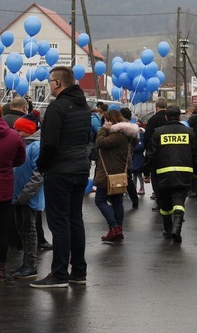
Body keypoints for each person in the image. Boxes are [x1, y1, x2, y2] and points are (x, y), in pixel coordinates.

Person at [32, 66, 91, 288]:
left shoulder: (57, 107)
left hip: (60, 170)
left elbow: (50, 143)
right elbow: (85, 139)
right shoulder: (84, 107)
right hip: (80, 169)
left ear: (57, 83)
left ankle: (58, 274)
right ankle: (78, 271)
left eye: (50, 81)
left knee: (59, 224)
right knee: (75, 221)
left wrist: (41, 165)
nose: (48, 85)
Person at [143, 105, 197, 243]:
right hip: (184, 173)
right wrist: (196, 171)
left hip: (163, 174)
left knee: (165, 204)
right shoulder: (189, 133)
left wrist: (146, 172)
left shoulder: (158, 133)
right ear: (180, 117)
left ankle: (168, 229)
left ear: (166, 117)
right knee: (179, 200)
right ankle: (177, 229)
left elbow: (150, 154)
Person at [94, 109, 138, 242]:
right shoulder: (125, 134)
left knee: (100, 200)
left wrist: (103, 129)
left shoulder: (117, 135)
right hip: (117, 172)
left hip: (109, 174)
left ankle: (114, 227)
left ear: (110, 121)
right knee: (117, 201)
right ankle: (118, 230)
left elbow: (100, 143)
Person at [0, 102, 27, 281]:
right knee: (1, 229)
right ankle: (0, 268)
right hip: (4, 188)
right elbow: (21, 159)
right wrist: (7, 166)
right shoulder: (14, 136)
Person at [10, 114, 43, 279]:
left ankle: (31, 265)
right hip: (18, 196)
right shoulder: (23, 144)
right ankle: (25, 263)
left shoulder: (36, 147)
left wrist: (25, 194)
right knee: (22, 229)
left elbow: (38, 175)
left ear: (28, 130)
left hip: (28, 197)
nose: (15, 132)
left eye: (19, 129)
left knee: (29, 231)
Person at [144, 97, 168, 209]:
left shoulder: (153, 120)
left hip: (156, 154)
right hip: (170, 153)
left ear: (156, 106)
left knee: (157, 179)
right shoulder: (170, 118)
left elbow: (147, 138)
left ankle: (160, 202)